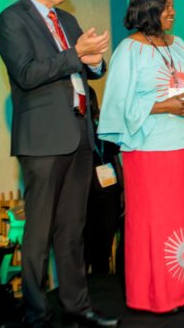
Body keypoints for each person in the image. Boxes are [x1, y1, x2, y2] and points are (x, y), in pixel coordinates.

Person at [0, 0, 117, 327]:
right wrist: (75, 54)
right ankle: (36, 313)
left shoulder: (67, 18)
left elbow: (87, 69)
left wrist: (94, 60)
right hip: (43, 142)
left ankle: (78, 307)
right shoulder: (11, 20)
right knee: (39, 233)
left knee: (72, 229)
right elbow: (28, 73)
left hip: (79, 136)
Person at [97, 0, 184, 314]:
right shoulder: (129, 50)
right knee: (156, 224)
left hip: (183, 147)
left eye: (173, 5)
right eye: (166, 6)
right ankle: (157, 295)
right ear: (147, 9)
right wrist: (164, 106)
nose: (173, 11)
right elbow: (117, 104)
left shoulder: (181, 45)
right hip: (148, 152)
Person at [84, 87, 123, 276]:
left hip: (110, 193)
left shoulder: (105, 127)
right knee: (88, 239)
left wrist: (123, 190)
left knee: (107, 237)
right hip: (87, 195)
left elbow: (115, 159)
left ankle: (103, 277)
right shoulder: (76, 131)